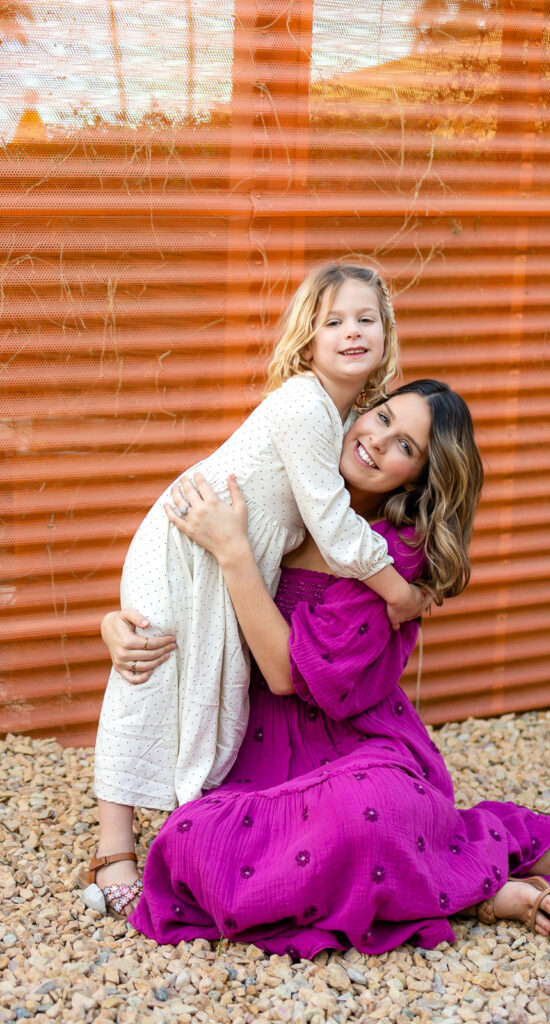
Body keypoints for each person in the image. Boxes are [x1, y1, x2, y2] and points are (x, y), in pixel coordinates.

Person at [102, 380, 550, 950]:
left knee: (367, 814)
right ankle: (440, 884)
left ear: (415, 479)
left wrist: (235, 554)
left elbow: (285, 675)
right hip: (253, 745)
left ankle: (476, 888)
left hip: (355, 744)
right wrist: (118, 623)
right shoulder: (280, 488)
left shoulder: (390, 554)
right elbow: (177, 578)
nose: (377, 440)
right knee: (192, 840)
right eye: (383, 417)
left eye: (405, 447)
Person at [86, 265, 429, 917]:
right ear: (307, 343)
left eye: (366, 319)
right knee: (149, 668)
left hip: (230, 551)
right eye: (333, 321)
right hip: (184, 540)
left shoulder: (351, 417)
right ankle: (114, 847)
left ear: (386, 333)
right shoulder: (304, 404)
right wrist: (395, 589)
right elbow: (330, 524)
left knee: (214, 681)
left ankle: (194, 817)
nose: (351, 331)